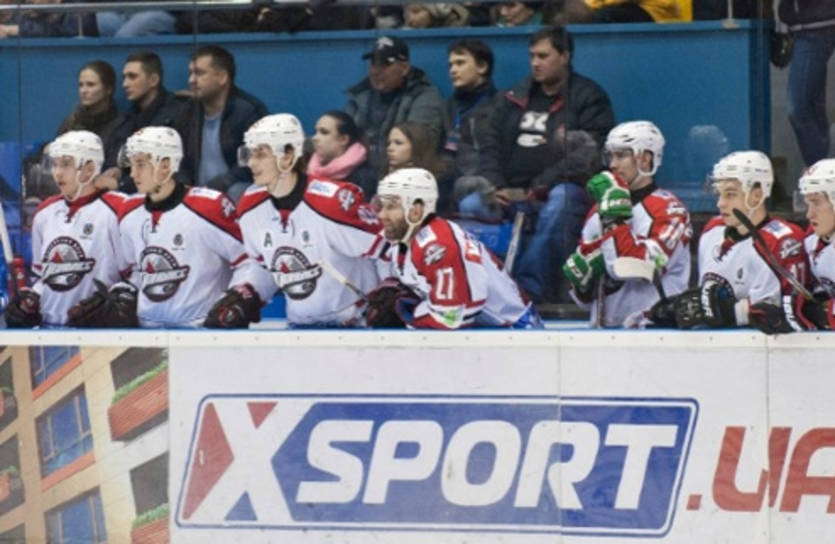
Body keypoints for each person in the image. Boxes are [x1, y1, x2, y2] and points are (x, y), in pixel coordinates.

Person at [230, 113, 384, 328]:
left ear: (288, 156)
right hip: (298, 327)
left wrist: (388, 289)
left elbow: (385, 250)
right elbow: (263, 266)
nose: (252, 163)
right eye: (249, 154)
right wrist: (245, 295)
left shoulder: (332, 203)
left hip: (354, 326)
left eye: (261, 154)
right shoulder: (250, 207)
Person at [115, 126, 264, 328]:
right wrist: (124, 291)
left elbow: (249, 261)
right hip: (146, 334)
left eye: (140, 164)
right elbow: (135, 269)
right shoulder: (129, 211)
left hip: (201, 333)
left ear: (165, 165)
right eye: (131, 165)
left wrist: (238, 297)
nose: (133, 174)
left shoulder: (208, 207)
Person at [644, 151, 809, 330]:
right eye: (719, 194)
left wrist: (733, 313)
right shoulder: (712, 231)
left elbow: (790, 312)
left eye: (730, 194)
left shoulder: (783, 241)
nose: (720, 203)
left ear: (757, 194)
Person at [368, 167, 542, 329]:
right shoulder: (403, 239)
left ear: (416, 210)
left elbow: (452, 317)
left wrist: (409, 313)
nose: (382, 215)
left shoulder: (438, 246)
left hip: (515, 331)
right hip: (481, 332)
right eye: (382, 207)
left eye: (391, 207)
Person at [563, 121, 692, 327]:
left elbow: (644, 268)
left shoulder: (670, 210)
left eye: (621, 155)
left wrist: (614, 220)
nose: (613, 164)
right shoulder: (598, 211)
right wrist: (583, 283)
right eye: (610, 156)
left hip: (654, 331)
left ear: (646, 159)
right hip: (603, 331)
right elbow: (584, 301)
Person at [5, 131, 127, 328]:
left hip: (99, 335)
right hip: (50, 332)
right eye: (55, 164)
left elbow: (133, 275)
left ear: (89, 169)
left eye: (66, 164)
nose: (58, 172)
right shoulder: (45, 213)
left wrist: (119, 304)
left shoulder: (119, 209)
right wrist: (29, 303)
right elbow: (43, 278)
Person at [749, 158, 835, 333]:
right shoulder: (812, 239)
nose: (809, 214)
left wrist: (815, 313)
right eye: (808, 204)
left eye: (817, 203)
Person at [174, 45, 268, 203]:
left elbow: (251, 164)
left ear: (222, 77)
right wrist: (184, 187)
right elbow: (178, 159)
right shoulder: (187, 112)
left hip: (233, 191)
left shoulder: (248, 112)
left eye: (199, 73)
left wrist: (214, 188)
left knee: (237, 190)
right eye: (190, 73)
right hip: (196, 194)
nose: (191, 80)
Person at [345, 35, 444, 173]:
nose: (377, 70)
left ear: (404, 68)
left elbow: (419, 146)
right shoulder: (361, 95)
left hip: (404, 174)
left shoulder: (424, 96)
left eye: (385, 64)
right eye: (374, 63)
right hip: (359, 171)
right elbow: (342, 137)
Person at [97, 51, 185, 193]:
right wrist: (117, 170)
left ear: (153, 80)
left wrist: (121, 184)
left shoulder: (177, 113)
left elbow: (173, 169)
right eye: (124, 78)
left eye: (132, 77)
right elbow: (118, 156)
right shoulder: (128, 118)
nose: (125, 84)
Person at [778, 1, 835, 168]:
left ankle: (819, 170)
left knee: (799, 108)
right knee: (812, 109)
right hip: (809, 25)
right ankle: (822, 171)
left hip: (815, 24)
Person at [443, 39, 499, 178]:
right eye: (450, 65)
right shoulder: (448, 106)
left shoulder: (501, 105)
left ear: (482, 67)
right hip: (450, 179)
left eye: (460, 63)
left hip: (486, 180)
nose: (453, 70)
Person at [307, 110, 377, 199]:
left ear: (343, 139)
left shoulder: (364, 177)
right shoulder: (310, 167)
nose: (315, 138)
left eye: (324, 132)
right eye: (315, 132)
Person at [57, 60, 120, 142]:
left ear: (108, 89)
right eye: (80, 85)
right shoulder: (70, 123)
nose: (83, 90)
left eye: (90, 85)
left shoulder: (121, 125)